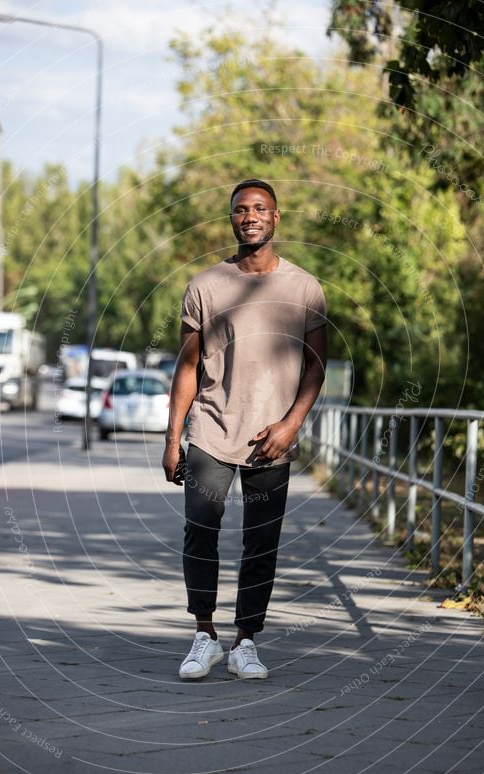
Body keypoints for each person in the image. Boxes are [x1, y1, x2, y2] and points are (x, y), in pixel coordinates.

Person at [162, 178, 327, 681]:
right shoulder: (206, 287)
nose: (249, 216)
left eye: (260, 208)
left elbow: (316, 366)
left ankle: (246, 642)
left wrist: (291, 424)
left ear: (277, 218)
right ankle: (204, 636)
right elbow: (187, 367)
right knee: (200, 533)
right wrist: (173, 440)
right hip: (211, 429)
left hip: (271, 439)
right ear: (231, 218)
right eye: (240, 210)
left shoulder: (304, 287)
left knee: (262, 540)